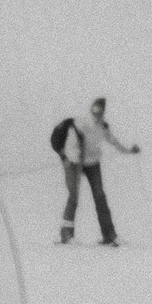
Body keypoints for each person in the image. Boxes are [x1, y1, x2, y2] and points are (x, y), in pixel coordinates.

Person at [57, 96, 138, 246]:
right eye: (95, 110)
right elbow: (71, 143)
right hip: (73, 162)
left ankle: (109, 235)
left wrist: (128, 151)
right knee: (73, 195)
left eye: (100, 111)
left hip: (92, 163)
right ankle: (66, 234)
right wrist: (73, 159)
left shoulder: (103, 127)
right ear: (91, 109)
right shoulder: (81, 123)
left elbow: (114, 142)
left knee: (100, 196)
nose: (97, 113)